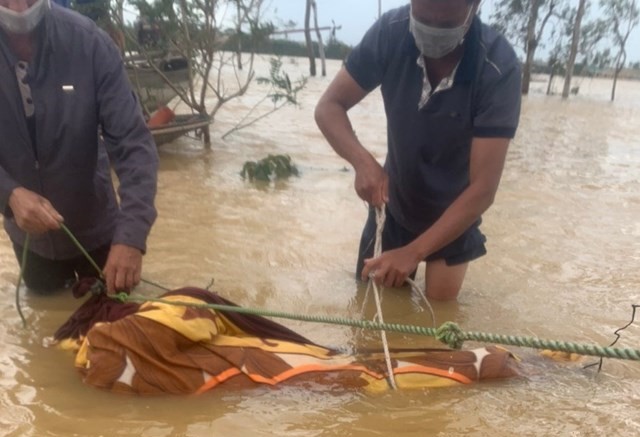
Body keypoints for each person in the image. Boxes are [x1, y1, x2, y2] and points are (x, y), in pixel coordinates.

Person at [315, 0, 521, 301]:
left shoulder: (498, 66)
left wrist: (414, 252)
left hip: (455, 215)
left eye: (446, 24)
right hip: (395, 202)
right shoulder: (390, 33)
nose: (433, 30)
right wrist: (363, 162)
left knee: (440, 323)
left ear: (474, 7)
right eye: (424, 19)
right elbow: (328, 107)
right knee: (368, 312)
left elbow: (483, 190)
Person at [0, 0, 159, 294]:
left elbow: (134, 146)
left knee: (115, 324)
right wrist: (9, 193)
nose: (19, 8)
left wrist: (131, 238)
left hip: (99, 232)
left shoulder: (90, 43)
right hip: (28, 241)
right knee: (45, 323)